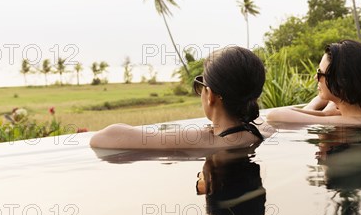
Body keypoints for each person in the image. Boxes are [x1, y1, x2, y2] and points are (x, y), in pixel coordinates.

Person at [90, 46, 271, 149]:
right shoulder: (259, 132)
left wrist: (198, 133)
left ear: (211, 96)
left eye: (201, 85)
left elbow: (104, 137)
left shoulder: (204, 140)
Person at [266, 39, 361, 127]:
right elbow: (322, 98)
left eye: (320, 73)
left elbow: (275, 116)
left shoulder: (351, 122)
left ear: (341, 82)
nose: (315, 78)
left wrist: (324, 114)